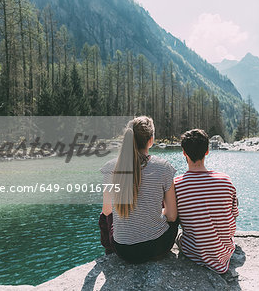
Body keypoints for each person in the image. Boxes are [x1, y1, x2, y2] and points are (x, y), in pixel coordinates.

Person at [99, 116, 178, 263]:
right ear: (150, 140)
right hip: (158, 247)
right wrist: (155, 213)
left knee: (104, 216)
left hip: (123, 251)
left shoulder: (110, 168)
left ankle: (109, 250)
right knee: (171, 202)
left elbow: (107, 211)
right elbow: (172, 217)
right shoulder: (163, 167)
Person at [174, 129, 239, 274]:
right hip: (225, 252)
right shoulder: (225, 180)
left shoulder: (176, 184)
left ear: (184, 152)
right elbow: (234, 214)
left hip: (194, 252)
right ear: (207, 151)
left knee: (179, 236)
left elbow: (173, 217)